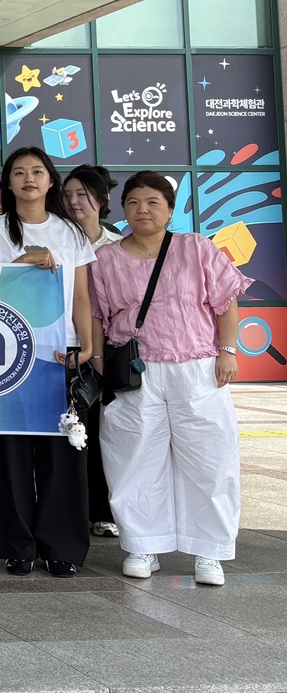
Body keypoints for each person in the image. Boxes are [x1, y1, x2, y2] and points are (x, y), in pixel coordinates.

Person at [91, 171, 248, 587]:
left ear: (170, 210)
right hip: (134, 371)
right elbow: (97, 316)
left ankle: (209, 550)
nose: (142, 210)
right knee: (133, 456)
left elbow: (225, 302)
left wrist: (228, 350)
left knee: (210, 457)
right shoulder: (106, 259)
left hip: (196, 367)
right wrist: (98, 365)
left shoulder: (195, 247)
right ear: (122, 209)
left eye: (152, 203)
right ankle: (143, 543)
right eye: (133, 202)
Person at [0, 146, 95, 578]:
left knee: (63, 453)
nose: (29, 179)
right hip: (6, 356)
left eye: (37, 171)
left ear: (51, 180)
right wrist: (20, 264)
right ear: (8, 182)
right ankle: (18, 546)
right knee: (10, 454)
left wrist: (86, 347)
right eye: (19, 172)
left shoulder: (70, 231)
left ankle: (62, 547)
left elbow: (81, 295)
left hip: (60, 354)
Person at [63, 165, 123, 541]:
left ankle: (104, 510)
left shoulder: (116, 245)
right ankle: (76, 509)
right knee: (76, 432)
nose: (74, 202)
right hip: (73, 348)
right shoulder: (58, 238)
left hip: (112, 350)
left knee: (107, 435)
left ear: (101, 199)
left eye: (83, 195)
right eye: (68, 194)